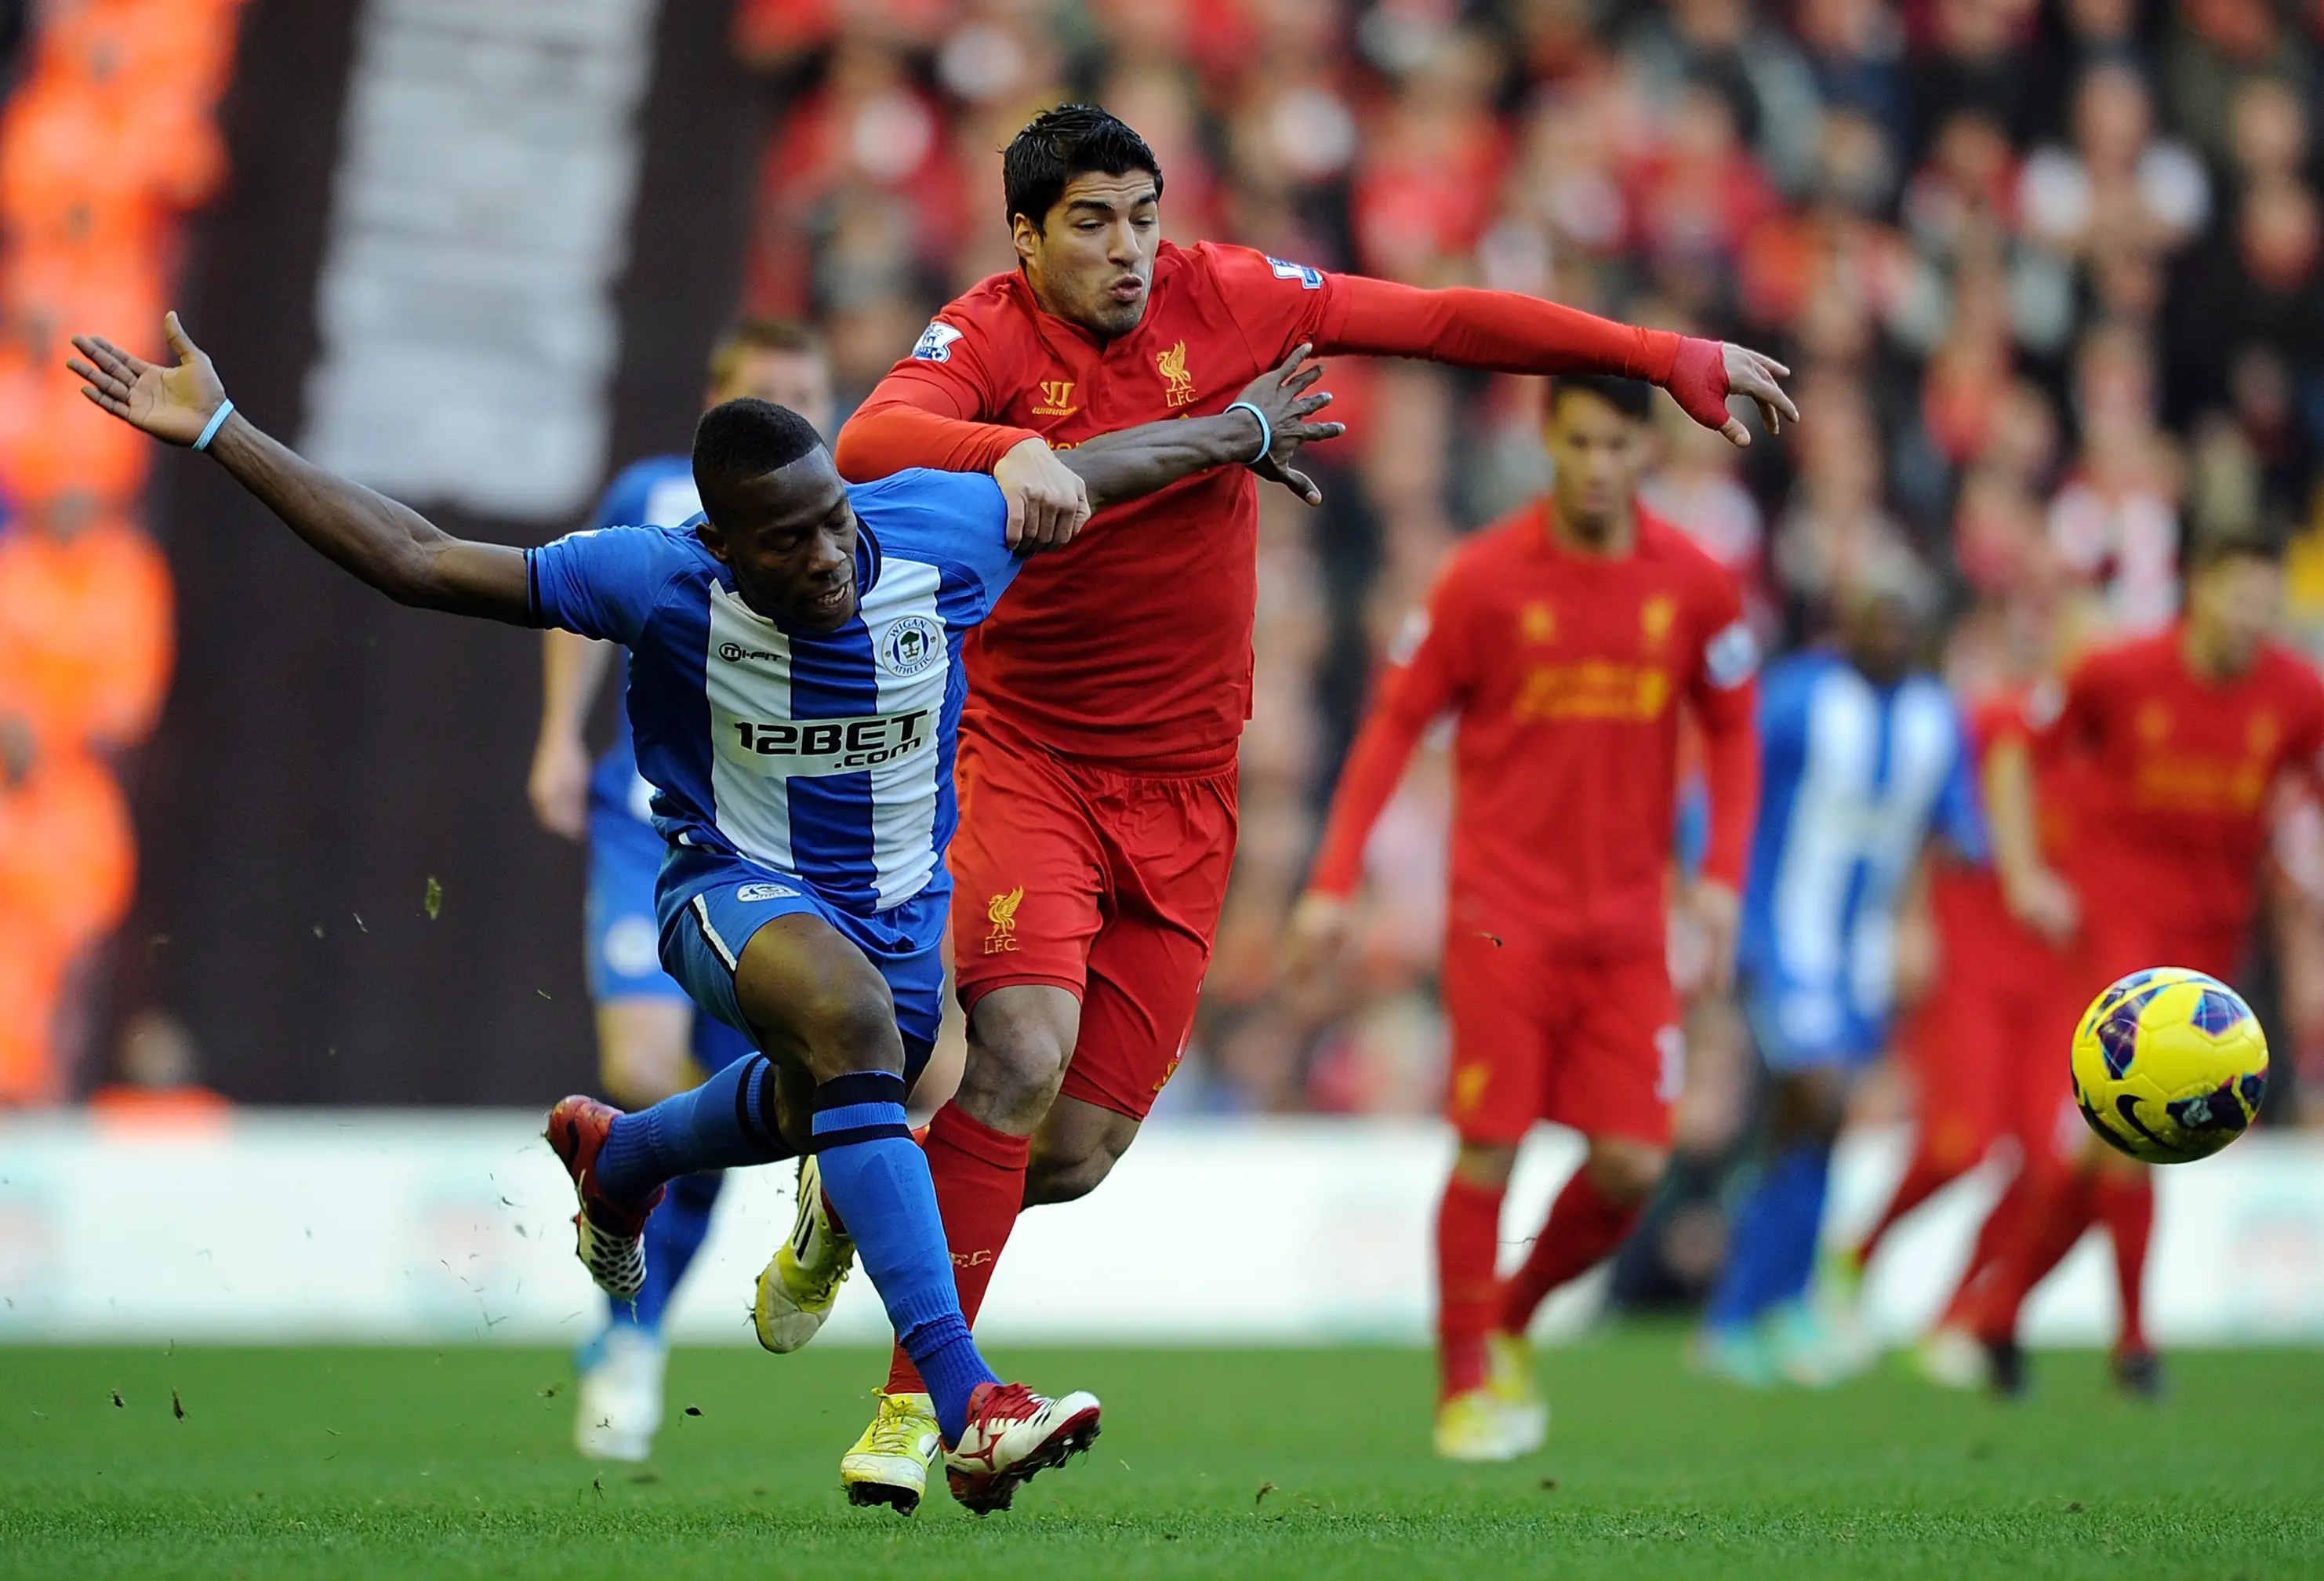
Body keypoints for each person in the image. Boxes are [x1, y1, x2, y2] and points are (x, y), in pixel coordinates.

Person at [67, 312, 1340, 1514]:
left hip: (899, 912)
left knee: (845, 1098)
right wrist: (223, 426)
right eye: (787, 541)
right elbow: (415, 559)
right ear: (720, 547)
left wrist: (1243, 429)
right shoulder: (656, 581)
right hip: (730, 893)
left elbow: (1091, 472)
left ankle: (623, 1161)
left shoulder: (942, 533)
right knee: (845, 1034)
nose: (827, 557)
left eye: (833, 524)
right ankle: (969, 1400)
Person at [819, 100, 1798, 1503]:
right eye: (1090, 224)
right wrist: (1001, 451)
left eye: (1141, 217)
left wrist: (1663, 355)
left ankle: (868, 1187)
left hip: (1188, 787)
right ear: (1024, 235)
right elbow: (868, 438)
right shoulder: (979, 335)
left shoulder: (1236, 297)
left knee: (1078, 1149)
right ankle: (921, 1410)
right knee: (1019, 1049)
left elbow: (1450, 320)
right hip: (1025, 756)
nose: (1127, 251)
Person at [1284, 373, 1763, 1459]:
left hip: (1632, 924)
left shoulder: (1693, 584)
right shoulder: (1483, 580)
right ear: (1548, 441)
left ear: (1648, 452)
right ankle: (1464, 1388)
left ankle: (1506, 1317)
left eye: (1617, 447)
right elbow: (1393, 727)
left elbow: (1734, 732)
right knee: (1491, 1141)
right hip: (1504, 916)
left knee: (1636, 1164)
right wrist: (1332, 880)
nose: (1597, 467)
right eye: (1579, 443)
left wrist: (1722, 877)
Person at [525, 320, 836, 1463]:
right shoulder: (657, 493)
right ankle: (632, 1321)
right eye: (770, 393)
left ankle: (634, 1328)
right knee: (643, 1075)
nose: (794, 411)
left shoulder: (835, 514)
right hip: (641, 821)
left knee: (723, 1100)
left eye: (809, 392)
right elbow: (574, 595)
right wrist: (560, 736)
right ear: (719, 403)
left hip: (769, 844)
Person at [1952, 530, 2324, 1398]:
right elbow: (2012, 746)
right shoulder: (2119, 672)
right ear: (2198, 589)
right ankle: (2135, 1345)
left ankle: (2000, 1313)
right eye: (2241, 598)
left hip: (2215, 940)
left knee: (2102, 1152)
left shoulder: (2295, 693)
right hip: (2116, 932)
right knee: (2134, 1130)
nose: (2253, 619)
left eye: (2268, 606)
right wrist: (2022, 874)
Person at [1696, 559, 1984, 1389]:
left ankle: (1765, 1308)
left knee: (1815, 1130)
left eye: (1905, 622)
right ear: (1846, 624)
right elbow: (1724, 787)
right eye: (1876, 618)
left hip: (1865, 956)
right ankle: (1755, 1307)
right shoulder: (1798, 700)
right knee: (1814, 1099)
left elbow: (1958, 820)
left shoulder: (1937, 717)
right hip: (1786, 939)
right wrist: (1714, 890)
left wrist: (1936, 899)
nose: (1890, 635)